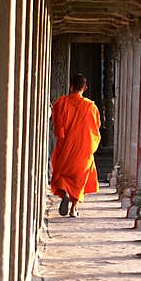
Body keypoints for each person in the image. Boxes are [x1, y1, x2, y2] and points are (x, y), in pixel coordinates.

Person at [50, 73, 101, 217]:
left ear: (70, 86)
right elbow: (96, 127)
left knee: (63, 175)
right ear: (85, 88)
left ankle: (65, 192)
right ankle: (73, 208)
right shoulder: (91, 107)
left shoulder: (61, 103)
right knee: (80, 178)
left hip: (66, 148)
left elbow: (58, 128)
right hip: (83, 149)